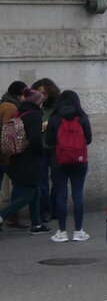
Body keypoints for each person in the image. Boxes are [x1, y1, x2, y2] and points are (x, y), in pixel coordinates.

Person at [44, 89, 92, 242]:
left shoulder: (54, 118)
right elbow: (89, 139)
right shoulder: (82, 117)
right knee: (77, 195)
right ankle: (78, 231)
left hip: (58, 162)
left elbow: (49, 141)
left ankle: (62, 231)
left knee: (61, 196)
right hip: (79, 162)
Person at [0, 88, 49, 233]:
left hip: (17, 157)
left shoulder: (20, 113)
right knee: (28, 193)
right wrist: (40, 151)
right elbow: (34, 139)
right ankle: (2, 215)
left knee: (34, 191)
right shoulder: (34, 115)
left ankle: (37, 225)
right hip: (29, 159)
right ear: (37, 102)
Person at [30, 77, 60, 225]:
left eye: (45, 93)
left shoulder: (55, 109)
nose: (42, 96)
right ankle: (45, 211)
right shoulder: (35, 108)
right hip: (40, 148)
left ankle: (56, 209)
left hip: (54, 148)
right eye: (39, 92)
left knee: (57, 180)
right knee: (41, 181)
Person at [1, 80, 29, 229]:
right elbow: (8, 132)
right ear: (20, 94)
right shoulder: (11, 107)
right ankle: (12, 215)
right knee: (19, 184)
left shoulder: (5, 103)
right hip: (6, 156)